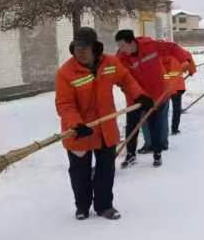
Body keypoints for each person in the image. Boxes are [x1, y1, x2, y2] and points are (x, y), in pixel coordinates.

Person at [56, 27, 149, 221]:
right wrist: (76, 124)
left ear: (95, 47)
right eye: (77, 48)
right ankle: (82, 207)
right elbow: (65, 104)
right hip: (79, 131)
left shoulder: (110, 63)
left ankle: (104, 206)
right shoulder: (66, 72)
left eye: (85, 48)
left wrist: (139, 95)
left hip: (106, 129)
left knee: (106, 171)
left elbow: (126, 79)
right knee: (80, 173)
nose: (80, 53)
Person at [115, 29, 190, 168]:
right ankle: (131, 154)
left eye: (123, 46)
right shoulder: (121, 58)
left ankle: (157, 153)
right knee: (132, 126)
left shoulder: (151, 46)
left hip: (155, 94)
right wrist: (131, 92)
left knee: (154, 124)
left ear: (131, 42)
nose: (121, 50)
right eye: (119, 47)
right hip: (135, 97)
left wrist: (185, 60)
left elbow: (172, 47)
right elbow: (120, 79)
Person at [162, 46, 197, 136]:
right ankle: (174, 129)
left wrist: (166, 77)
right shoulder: (182, 53)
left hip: (163, 87)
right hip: (177, 86)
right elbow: (190, 61)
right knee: (176, 109)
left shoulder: (159, 55)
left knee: (162, 110)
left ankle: (162, 131)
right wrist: (191, 71)